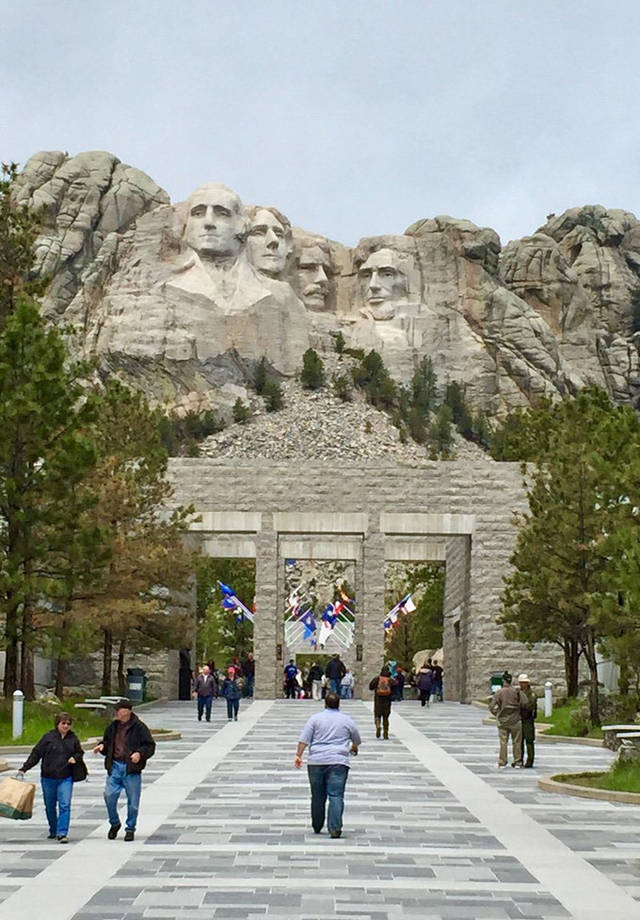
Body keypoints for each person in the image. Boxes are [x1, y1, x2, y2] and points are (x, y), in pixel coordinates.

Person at [294, 691, 361, 838]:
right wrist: (354, 747)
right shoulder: (346, 720)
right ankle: (335, 828)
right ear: (339, 704)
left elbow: (304, 739)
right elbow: (356, 738)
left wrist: (299, 755)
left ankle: (317, 825)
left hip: (316, 761)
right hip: (338, 761)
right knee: (336, 795)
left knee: (317, 795)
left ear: (325, 703)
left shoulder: (315, 719)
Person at [93, 699, 156, 841]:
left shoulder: (140, 727)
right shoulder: (113, 727)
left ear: (127, 711)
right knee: (109, 796)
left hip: (131, 769)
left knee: (133, 803)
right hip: (115, 766)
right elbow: (107, 742)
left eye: (119, 710)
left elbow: (150, 745)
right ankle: (114, 823)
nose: (117, 713)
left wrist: (139, 754)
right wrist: (102, 747)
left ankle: (130, 828)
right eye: (117, 710)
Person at [18, 711, 85, 843]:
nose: (66, 726)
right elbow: (36, 754)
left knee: (65, 804)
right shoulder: (48, 738)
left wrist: (75, 758)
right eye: (63, 723)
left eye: (68, 724)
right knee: (50, 806)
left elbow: (79, 752)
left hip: (66, 777)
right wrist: (24, 768)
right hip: (48, 777)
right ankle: (53, 829)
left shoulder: (73, 738)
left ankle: (62, 832)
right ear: (57, 724)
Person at [488, 672, 524, 768]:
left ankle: (502, 761)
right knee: (517, 741)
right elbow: (524, 703)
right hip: (515, 719)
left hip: (503, 720)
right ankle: (518, 762)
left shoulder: (499, 692)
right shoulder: (516, 691)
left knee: (503, 742)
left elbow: (491, 706)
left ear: (503, 681)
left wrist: (497, 714)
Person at [369, 666, 395, 739]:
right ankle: (386, 733)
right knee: (386, 717)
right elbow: (396, 686)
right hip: (387, 701)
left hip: (378, 700)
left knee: (377, 715)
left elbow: (370, 687)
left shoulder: (377, 679)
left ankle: (378, 726)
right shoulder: (390, 680)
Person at [518, 674, 538, 768]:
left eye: (524, 683)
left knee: (529, 741)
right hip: (519, 720)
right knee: (519, 741)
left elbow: (530, 706)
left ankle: (530, 760)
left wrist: (522, 706)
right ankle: (519, 760)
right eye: (521, 683)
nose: (523, 685)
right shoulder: (518, 693)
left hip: (528, 720)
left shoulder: (531, 694)